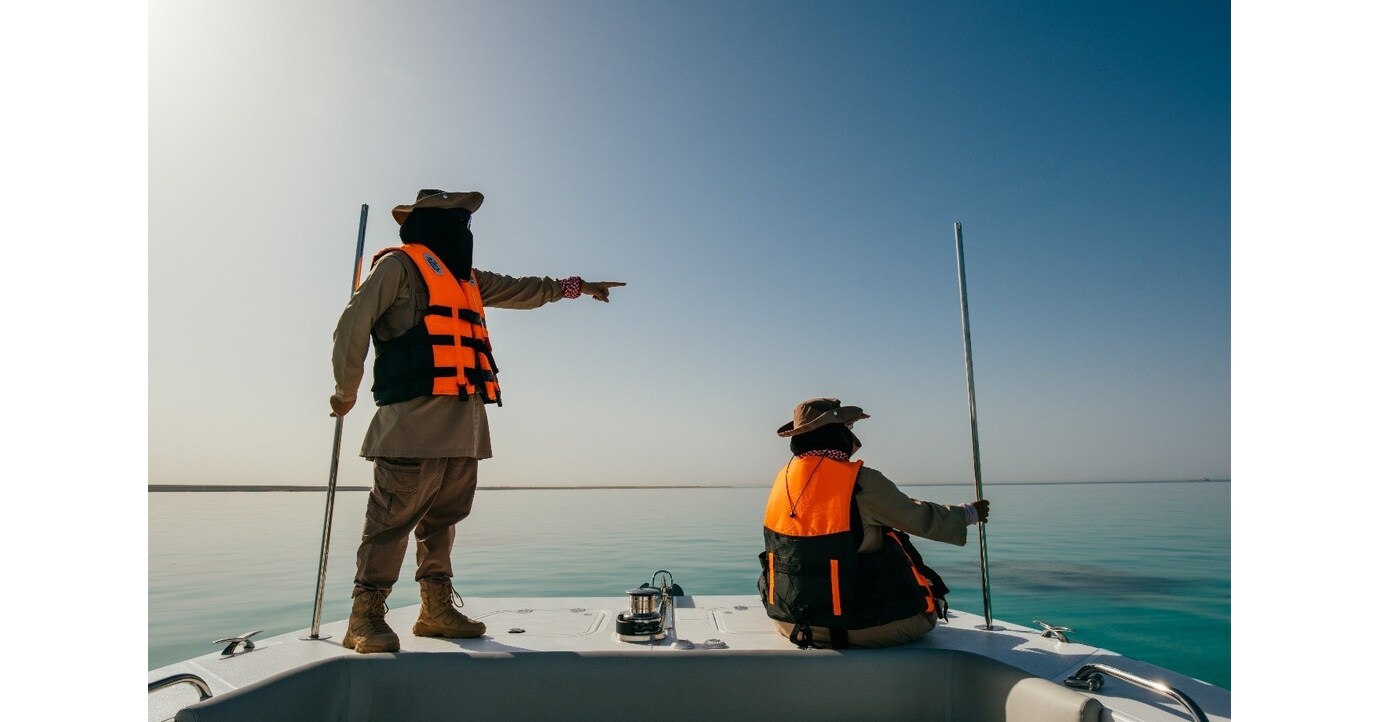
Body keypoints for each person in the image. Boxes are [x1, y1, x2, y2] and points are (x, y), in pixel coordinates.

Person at [329, 189, 625, 654]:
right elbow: (353, 323)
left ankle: (435, 609)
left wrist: (581, 287)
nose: (466, 231)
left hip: (465, 432)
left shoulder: (468, 278)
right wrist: (345, 390)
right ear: (432, 223)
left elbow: (529, 289)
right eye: (458, 220)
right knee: (390, 523)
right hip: (410, 428)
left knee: (443, 523)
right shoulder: (399, 267)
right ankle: (364, 616)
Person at [758, 397, 990, 649]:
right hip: (854, 626)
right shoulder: (861, 482)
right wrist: (968, 513)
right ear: (836, 433)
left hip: (790, 623)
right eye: (847, 428)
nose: (850, 433)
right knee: (927, 613)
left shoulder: (781, 481)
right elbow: (918, 517)